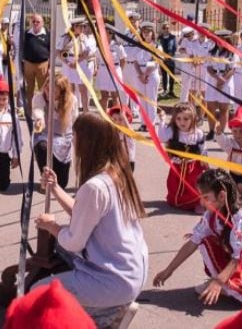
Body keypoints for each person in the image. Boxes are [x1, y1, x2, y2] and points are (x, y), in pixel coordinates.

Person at [34, 113, 148, 326]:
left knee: (36, 294)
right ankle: (109, 307)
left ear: (86, 142)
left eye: (75, 136)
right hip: (131, 272)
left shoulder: (95, 186)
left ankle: (103, 316)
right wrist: (56, 188)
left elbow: (74, 240)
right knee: (64, 255)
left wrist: (52, 226)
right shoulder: (118, 174)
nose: (73, 141)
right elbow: (84, 214)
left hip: (113, 280)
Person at [152, 169, 242, 311]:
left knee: (227, 284)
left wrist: (218, 282)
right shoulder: (212, 215)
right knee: (205, 240)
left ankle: (230, 288)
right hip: (240, 259)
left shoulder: (241, 218)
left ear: (221, 196)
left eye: (206, 197)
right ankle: (228, 286)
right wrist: (169, 270)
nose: (201, 202)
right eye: (200, 197)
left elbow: (237, 258)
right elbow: (192, 242)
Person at [32, 74, 77, 190]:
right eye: (47, 87)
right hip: (45, 135)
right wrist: (39, 120)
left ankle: (57, 172)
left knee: (62, 184)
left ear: (62, 92)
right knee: (42, 146)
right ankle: (45, 178)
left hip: (64, 138)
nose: (49, 92)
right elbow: (38, 111)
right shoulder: (39, 98)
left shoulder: (71, 100)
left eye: (54, 91)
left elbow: (75, 120)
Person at [159, 103, 207, 211]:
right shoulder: (172, 131)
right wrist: (162, 120)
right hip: (177, 164)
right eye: (178, 119)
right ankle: (177, 201)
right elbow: (161, 137)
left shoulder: (198, 133)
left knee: (194, 185)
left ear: (193, 118)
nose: (182, 122)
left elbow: (203, 148)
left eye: (186, 119)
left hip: (193, 166)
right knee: (174, 184)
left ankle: (196, 203)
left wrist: (204, 159)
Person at [204, 30, 235, 140]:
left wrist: (222, 80)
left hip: (226, 81)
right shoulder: (211, 52)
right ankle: (211, 130)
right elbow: (208, 67)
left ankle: (221, 132)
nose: (219, 42)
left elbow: (232, 69)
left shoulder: (232, 53)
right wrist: (217, 78)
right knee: (211, 107)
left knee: (223, 108)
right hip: (213, 79)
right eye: (217, 40)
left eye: (222, 40)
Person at [133, 22, 160, 131]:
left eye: (148, 32)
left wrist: (145, 74)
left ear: (152, 33)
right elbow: (135, 62)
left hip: (151, 75)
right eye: (144, 32)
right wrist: (140, 74)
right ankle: (143, 123)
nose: (146, 34)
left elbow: (155, 62)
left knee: (151, 99)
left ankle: (151, 123)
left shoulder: (156, 46)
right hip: (140, 74)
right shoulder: (139, 46)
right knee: (142, 100)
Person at [94, 24, 126, 110]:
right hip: (103, 71)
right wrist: (97, 68)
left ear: (111, 34)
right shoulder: (100, 45)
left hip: (114, 71)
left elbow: (123, 60)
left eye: (106, 32)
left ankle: (116, 117)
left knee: (115, 96)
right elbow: (97, 58)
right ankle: (104, 118)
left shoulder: (118, 46)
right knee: (104, 96)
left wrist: (118, 72)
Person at [22, 14, 51, 105]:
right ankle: (29, 113)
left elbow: (52, 51)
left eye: (38, 22)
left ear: (42, 23)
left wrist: (50, 68)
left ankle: (43, 110)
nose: (35, 23)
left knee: (43, 90)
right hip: (28, 64)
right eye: (33, 21)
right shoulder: (26, 34)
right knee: (28, 90)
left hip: (43, 65)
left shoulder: (48, 34)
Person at [176, 27, 195, 103]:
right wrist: (187, 51)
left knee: (193, 85)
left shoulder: (195, 41)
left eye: (191, 34)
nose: (190, 36)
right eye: (187, 35)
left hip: (194, 65)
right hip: (185, 64)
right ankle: (183, 101)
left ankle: (192, 102)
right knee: (185, 83)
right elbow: (180, 49)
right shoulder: (184, 41)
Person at [158, 23, 177, 97]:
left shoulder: (173, 37)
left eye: (168, 28)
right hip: (162, 59)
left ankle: (171, 91)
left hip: (171, 59)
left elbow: (175, 48)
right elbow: (158, 47)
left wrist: (169, 56)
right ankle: (165, 90)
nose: (167, 29)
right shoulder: (160, 38)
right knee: (164, 75)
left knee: (172, 75)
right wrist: (162, 56)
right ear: (163, 29)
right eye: (165, 28)